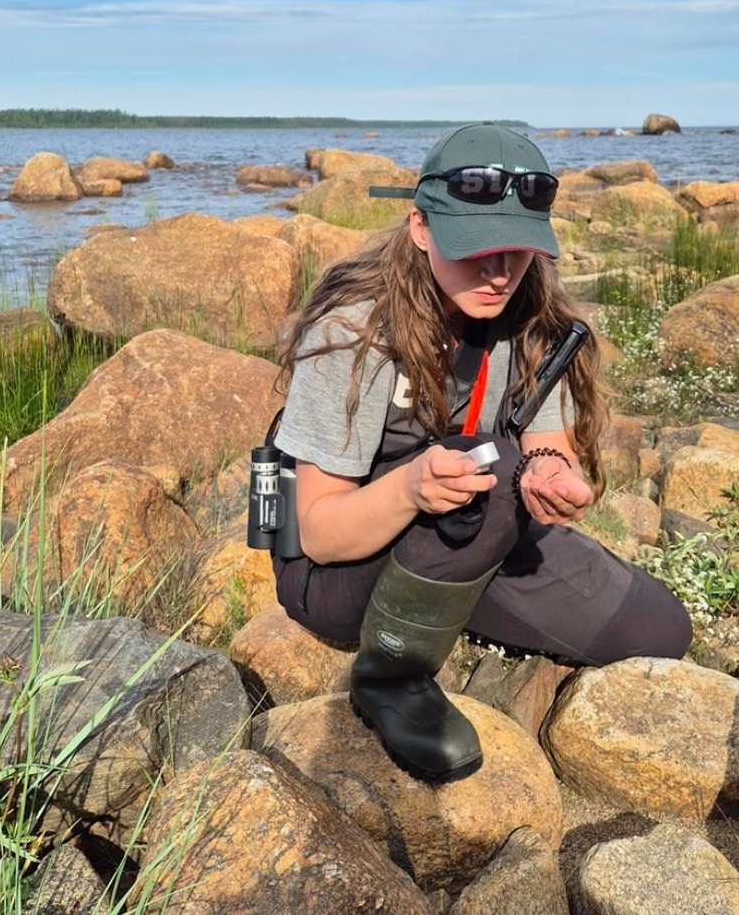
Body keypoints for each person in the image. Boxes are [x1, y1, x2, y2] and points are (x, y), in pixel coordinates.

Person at [272, 122, 692, 784]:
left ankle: (455, 594)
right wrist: (412, 486)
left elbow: (544, 448)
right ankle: (390, 674)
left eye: (517, 252)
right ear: (420, 226)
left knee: (659, 630)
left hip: (466, 530)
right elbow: (318, 532)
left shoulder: (529, 320)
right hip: (334, 570)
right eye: (476, 249)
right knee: (490, 470)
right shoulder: (353, 332)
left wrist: (551, 476)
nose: (498, 273)